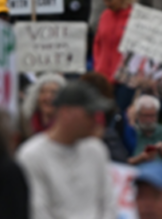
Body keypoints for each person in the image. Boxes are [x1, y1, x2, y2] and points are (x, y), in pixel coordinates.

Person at [17, 80, 116, 219]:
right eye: (89, 113)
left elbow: (108, 204)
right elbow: (38, 211)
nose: (95, 120)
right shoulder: (31, 155)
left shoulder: (97, 150)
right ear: (66, 112)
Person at [93, 0, 136, 85]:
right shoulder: (104, 15)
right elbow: (97, 43)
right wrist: (98, 65)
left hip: (125, 78)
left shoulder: (135, 17)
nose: (107, 4)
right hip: (103, 75)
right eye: (104, 0)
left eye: (110, 0)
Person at [128, 94, 162, 163]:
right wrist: (141, 158)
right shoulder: (131, 133)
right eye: (145, 115)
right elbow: (121, 164)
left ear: (157, 115)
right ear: (138, 115)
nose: (149, 120)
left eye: (152, 115)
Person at [21, 73, 65, 137]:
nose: (48, 97)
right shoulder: (25, 123)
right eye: (43, 92)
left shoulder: (69, 125)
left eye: (54, 92)